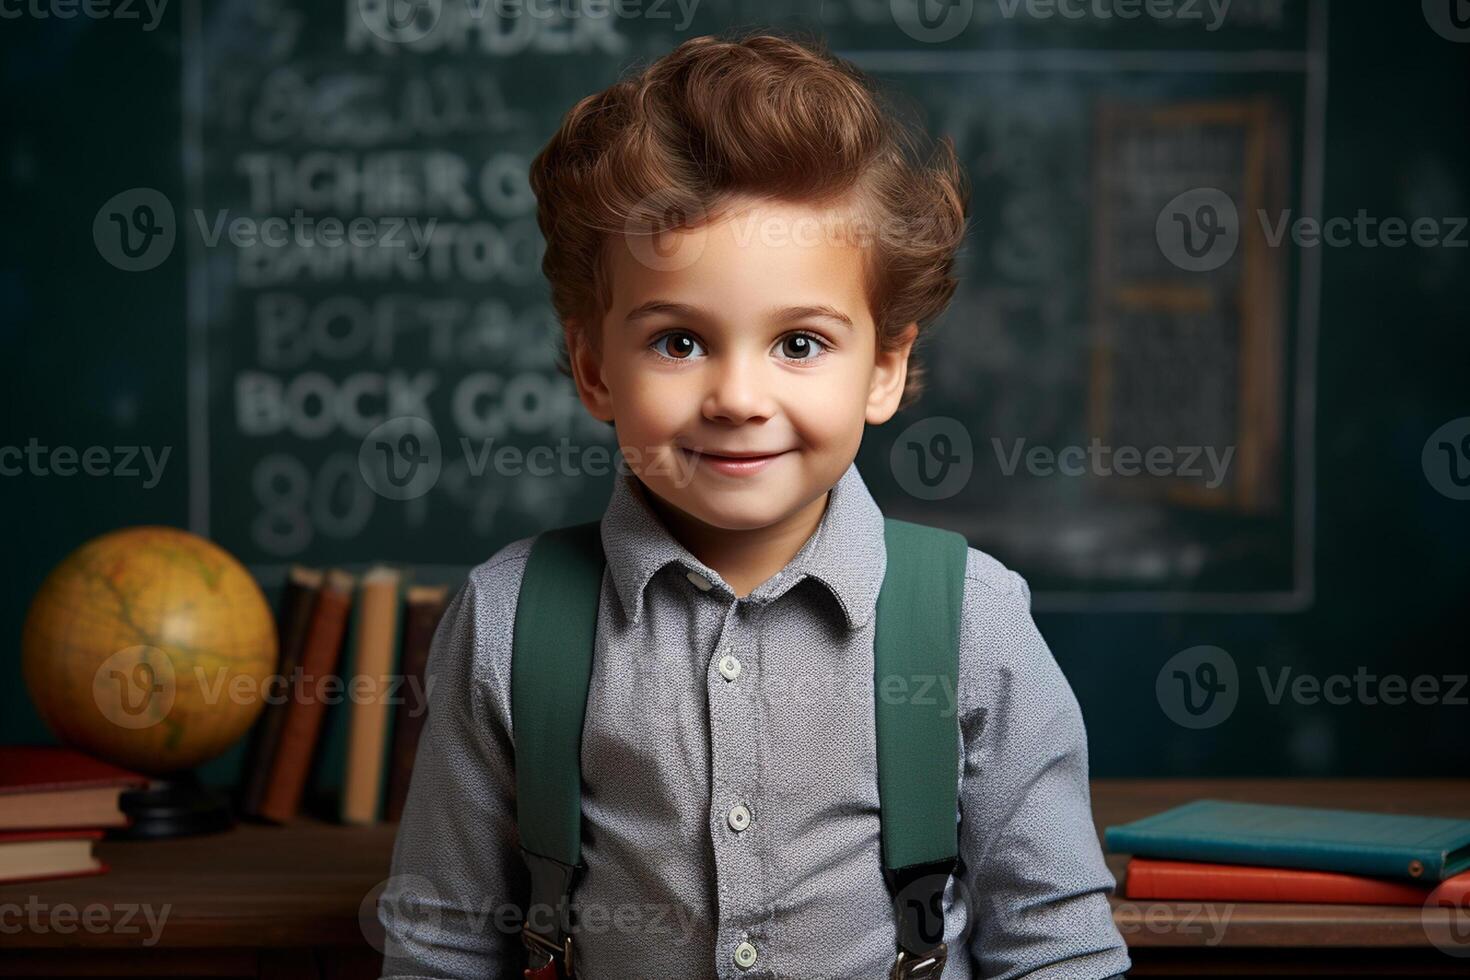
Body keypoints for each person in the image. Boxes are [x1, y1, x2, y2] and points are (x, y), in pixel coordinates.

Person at [379, 29, 1130, 979]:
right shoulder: (508, 619)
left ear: (885, 369)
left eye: (801, 344)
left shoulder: (971, 622)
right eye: (679, 343)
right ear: (592, 369)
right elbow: (439, 943)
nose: (738, 397)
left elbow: (1056, 947)